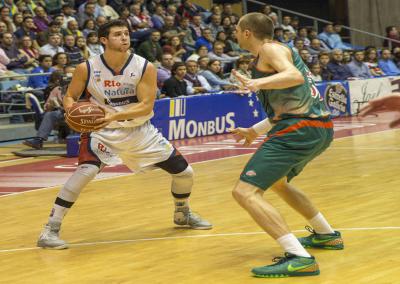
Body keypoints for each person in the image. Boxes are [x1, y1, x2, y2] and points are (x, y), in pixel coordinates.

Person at [37, 20, 212, 250]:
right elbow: (70, 96)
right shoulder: (86, 68)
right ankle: (50, 229)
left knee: (185, 173)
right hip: (102, 130)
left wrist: (114, 116)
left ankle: (183, 213)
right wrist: (72, 110)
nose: (125, 38)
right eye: (118, 34)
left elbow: (146, 106)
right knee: (86, 171)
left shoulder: (143, 67)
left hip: (139, 130)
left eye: (126, 34)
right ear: (103, 40)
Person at [230, 13, 343, 278]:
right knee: (279, 183)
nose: (234, 33)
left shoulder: (269, 49)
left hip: (299, 130)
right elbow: (288, 105)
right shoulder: (278, 50)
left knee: (244, 192)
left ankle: (299, 258)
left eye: (237, 29)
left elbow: (295, 76)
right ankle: (326, 235)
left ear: (247, 33)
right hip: (318, 128)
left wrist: (257, 82)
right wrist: (253, 131)